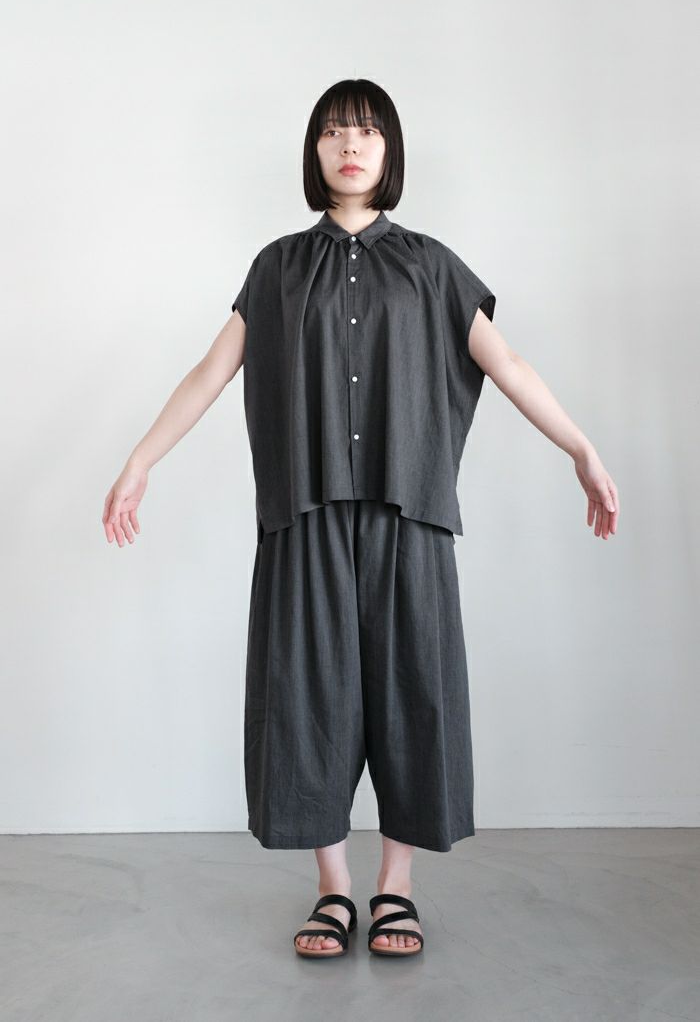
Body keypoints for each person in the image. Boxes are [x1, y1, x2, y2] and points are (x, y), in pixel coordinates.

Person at [102, 79, 620, 960]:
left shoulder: (431, 266)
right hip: (303, 515)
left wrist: (581, 447)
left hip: (408, 512)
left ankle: (396, 890)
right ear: (314, 150)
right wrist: (140, 459)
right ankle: (334, 890)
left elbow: (508, 362)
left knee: (413, 694)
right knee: (309, 699)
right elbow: (210, 371)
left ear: (390, 151)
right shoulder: (276, 269)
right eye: (336, 131)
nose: (352, 145)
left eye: (369, 131)